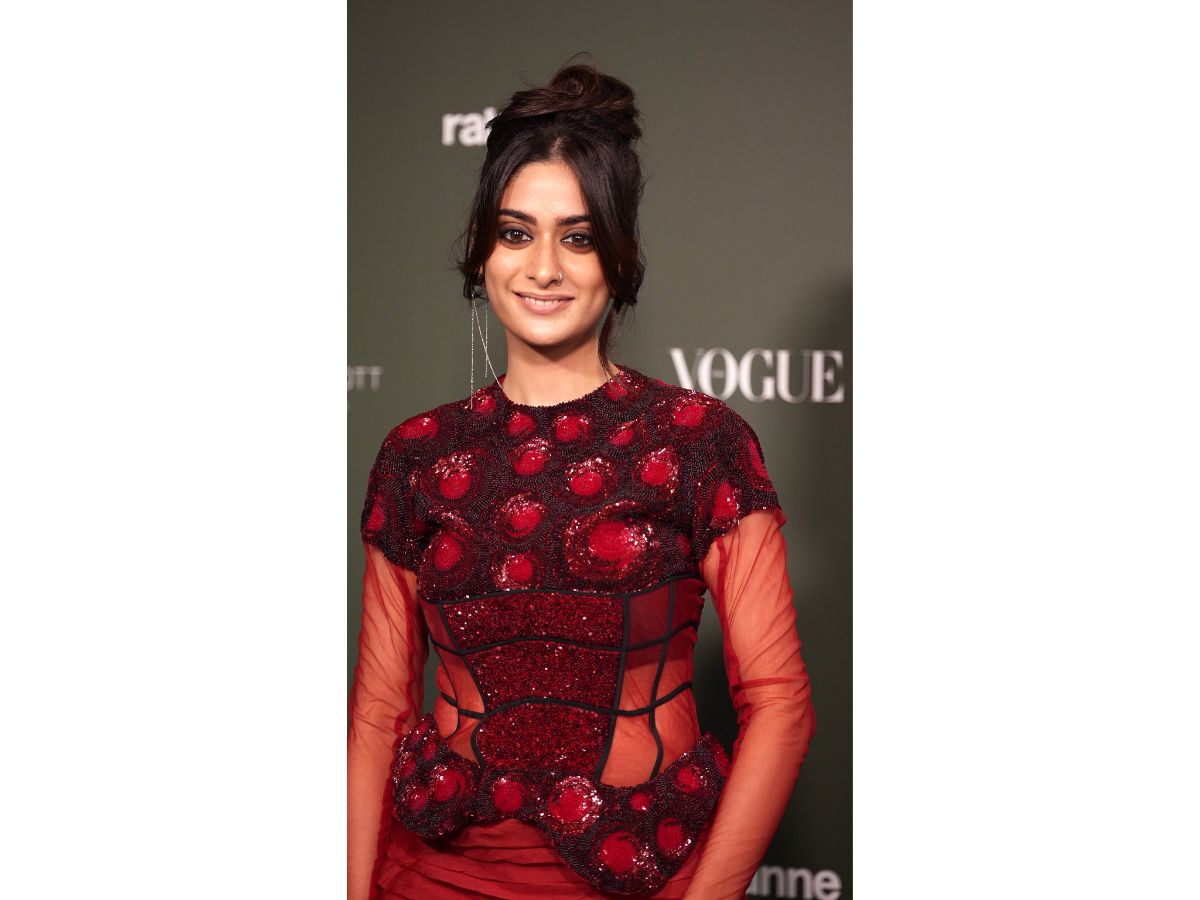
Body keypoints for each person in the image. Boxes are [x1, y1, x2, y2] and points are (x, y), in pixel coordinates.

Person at [348, 60, 816, 900]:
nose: (544, 269)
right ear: (481, 250)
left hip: (645, 874)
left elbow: (781, 703)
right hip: (434, 875)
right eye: (516, 233)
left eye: (578, 236)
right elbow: (380, 713)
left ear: (619, 256)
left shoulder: (698, 441)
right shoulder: (415, 454)